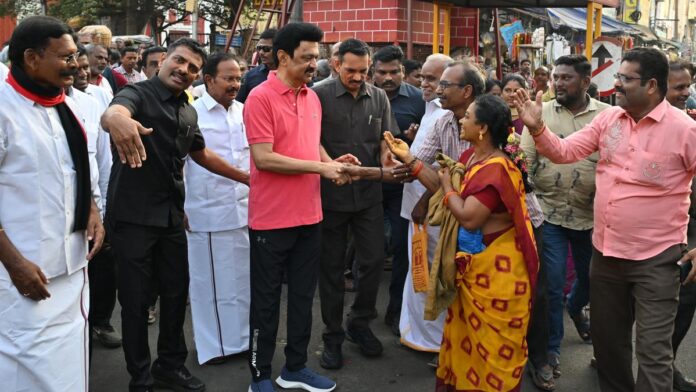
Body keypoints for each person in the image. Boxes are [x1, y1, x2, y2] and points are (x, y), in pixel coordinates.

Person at [514, 47, 696, 392]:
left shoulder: (685, 130)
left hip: (658, 259)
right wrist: (537, 129)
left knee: (653, 352)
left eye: (625, 79)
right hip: (607, 254)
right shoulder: (609, 120)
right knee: (609, 347)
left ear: (652, 86)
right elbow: (565, 152)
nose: (617, 85)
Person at [101, 38, 250, 392]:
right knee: (136, 303)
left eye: (193, 68)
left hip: (171, 218)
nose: (184, 70)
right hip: (133, 219)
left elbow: (200, 154)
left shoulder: (188, 109)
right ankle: (141, 377)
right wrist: (117, 121)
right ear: (164, 60)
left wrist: (247, 178)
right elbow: (115, 112)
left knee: (174, 294)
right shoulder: (137, 94)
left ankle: (170, 366)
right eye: (179, 61)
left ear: (198, 77)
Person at [386, 94, 539, 392]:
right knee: (466, 342)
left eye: (467, 116)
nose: (461, 119)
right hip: (473, 267)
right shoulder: (472, 158)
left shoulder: (497, 167)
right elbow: (448, 185)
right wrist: (409, 158)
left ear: (481, 128)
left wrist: (445, 187)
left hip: (497, 272)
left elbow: (468, 216)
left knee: (493, 350)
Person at [0, 16, 105, 391]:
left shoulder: (70, 105)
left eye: (76, 56)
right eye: (66, 57)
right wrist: (14, 264)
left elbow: (79, 170)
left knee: (68, 366)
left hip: (72, 266)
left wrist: (92, 210)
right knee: (23, 367)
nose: (76, 65)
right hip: (23, 273)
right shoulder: (3, 107)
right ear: (31, 58)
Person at [243, 23, 346, 392]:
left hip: (310, 216)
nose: (314, 65)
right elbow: (265, 158)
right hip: (271, 220)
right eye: (307, 58)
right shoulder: (260, 97)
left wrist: (333, 161)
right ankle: (259, 376)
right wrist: (322, 168)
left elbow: (311, 145)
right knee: (266, 304)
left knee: (304, 298)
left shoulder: (312, 97)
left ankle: (295, 368)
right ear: (282, 57)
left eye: (316, 57)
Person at [520, 54, 610, 390]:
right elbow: (526, 158)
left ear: (585, 82)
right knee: (552, 284)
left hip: (593, 217)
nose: (557, 83)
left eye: (566, 78)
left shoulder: (607, 116)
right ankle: (549, 352)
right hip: (550, 212)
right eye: (555, 77)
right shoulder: (539, 114)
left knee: (590, 283)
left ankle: (577, 308)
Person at [312, 38, 398, 370]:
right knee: (331, 270)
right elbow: (310, 140)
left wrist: (388, 161)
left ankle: (359, 322)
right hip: (328, 196)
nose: (358, 77)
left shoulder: (378, 97)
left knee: (374, 260)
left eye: (364, 71)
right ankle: (332, 336)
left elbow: (385, 140)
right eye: (351, 70)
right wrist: (331, 166)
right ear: (336, 65)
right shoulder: (318, 95)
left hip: (367, 196)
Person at [185, 53, 252, 366]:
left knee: (238, 280)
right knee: (208, 283)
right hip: (207, 210)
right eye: (228, 78)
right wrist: (181, 205)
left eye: (238, 78)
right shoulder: (190, 114)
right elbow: (181, 164)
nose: (235, 84)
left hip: (243, 209)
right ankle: (214, 348)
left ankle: (238, 341)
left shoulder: (244, 112)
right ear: (208, 79)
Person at [398, 53, 452, 354]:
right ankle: (415, 333)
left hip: (432, 211)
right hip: (416, 209)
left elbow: (449, 167)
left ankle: (435, 340)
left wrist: (424, 201)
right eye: (423, 76)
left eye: (432, 79)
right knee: (418, 272)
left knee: (432, 275)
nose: (424, 83)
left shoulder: (451, 114)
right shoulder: (430, 109)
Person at [70, 44, 121, 350]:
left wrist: (105, 208)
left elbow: (104, 159)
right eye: (72, 61)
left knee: (103, 271)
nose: (80, 68)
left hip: (97, 210)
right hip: (59, 217)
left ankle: (99, 323)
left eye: (80, 61)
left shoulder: (94, 100)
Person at [372, 45, 425, 336]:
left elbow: (427, 140)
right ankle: (363, 313)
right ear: (374, 73)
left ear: (403, 72)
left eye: (394, 72)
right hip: (368, 182)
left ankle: (395, 312)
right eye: (382, 72)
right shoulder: (364, 96)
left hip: (403, 185)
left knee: (401, 252)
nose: (388, 77)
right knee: (370, 252)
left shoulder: (418, 99)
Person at [665, 60, 696, 392]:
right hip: (641, 235)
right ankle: (611, 353)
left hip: (688, 230)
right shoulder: (627, 123)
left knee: (686, 296)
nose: (686, 93)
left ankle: (666, 364)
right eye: (679, 87)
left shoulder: (690, 127)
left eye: (689, 87)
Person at [236, 28, 277, 103]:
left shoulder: (292, 75)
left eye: (266, 49)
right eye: (259, 48)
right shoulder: (250, 76)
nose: (261, 52)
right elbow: (238, 104)